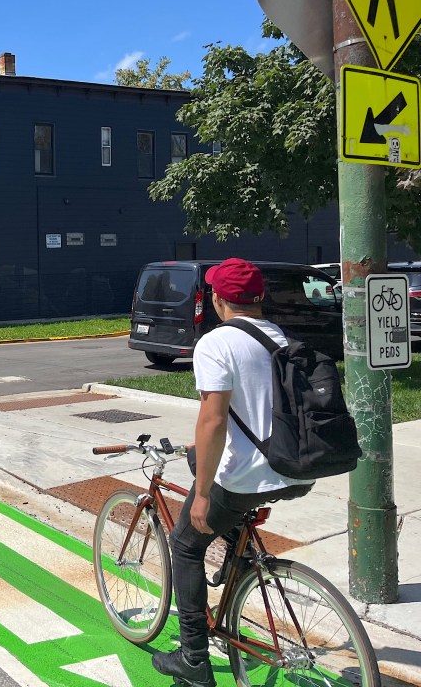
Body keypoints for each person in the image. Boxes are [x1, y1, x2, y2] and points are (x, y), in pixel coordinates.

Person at [151, 258, 314, 687]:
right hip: (293, 470)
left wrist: (202, 493)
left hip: (245, 476)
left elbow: (213, 420)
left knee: (186, 544)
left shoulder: (216, 342)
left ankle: (193, 660)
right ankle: (236, 578)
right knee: (201, 466)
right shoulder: (280, 337)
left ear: (219, 299)